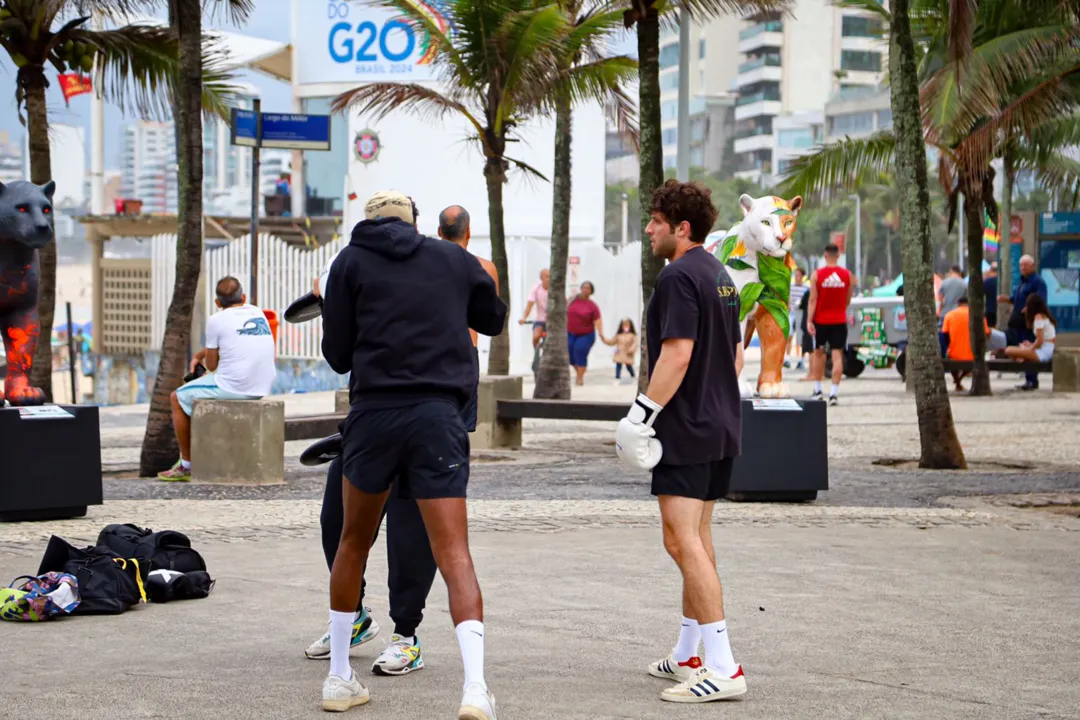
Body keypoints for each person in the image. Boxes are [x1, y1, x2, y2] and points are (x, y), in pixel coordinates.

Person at [319, 190, 506, 717]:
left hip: (374, 413)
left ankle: (339, 677)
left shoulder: (349, 261)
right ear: (414, 222)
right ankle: (474, 689)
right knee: (455, 553)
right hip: (437, 416)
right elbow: (491, 319)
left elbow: (337, 356)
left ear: (369, 221)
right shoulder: (451, 258)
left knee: (353, 542)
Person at [304, 199, 453, 681]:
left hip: (425, 425)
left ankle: (406, 637)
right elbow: (339, 355)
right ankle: (354, 617)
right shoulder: (349, 263)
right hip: (368, 422)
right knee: (338, 525)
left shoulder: (436, 266)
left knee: (411, 537)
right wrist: (331, 305)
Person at [619, 179, 747, 704]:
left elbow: (676, 354)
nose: (648, 229)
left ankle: (723, 666)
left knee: (680, 541)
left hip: (688, 428)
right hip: (720, 423)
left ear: (682, 227)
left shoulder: (676, 276)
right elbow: (735, 357)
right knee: (698, 537)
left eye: (655, 220)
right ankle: (692, 651)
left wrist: (641, 415)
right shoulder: (721, 275)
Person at [157, 277, 276, 482]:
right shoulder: (257, 312)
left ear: (218, 303)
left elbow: (212, 367)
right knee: (199, 387)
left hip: (235, 386)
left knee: (176, 397)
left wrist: (203, 358)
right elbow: (235, 339)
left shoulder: (216, 320)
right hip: (263, 384)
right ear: (244, 297)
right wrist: (200, 354)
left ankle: (186, 465)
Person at [807, 245, 853, 406]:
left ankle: (818, 390)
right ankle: (834, 394)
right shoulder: (847, 275)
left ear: (825, 255)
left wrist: (809, 320)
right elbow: (848, 299)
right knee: (837, 356)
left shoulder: (817, 275)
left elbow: (812, 299)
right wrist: (840, 310)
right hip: (839, 320)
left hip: (821, 320)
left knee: (819, 354)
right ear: (838, 255)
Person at [999, 254, 1049, 390]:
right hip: (1018, 323)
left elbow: (1041, 300)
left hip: (1030, 324)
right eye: (1021, 265)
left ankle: (1033, 380)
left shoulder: (1038, 282)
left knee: (1030, 347)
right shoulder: (1022, 282)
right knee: (1021, 348)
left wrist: (1029, 309)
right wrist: (1006, 299)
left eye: (1026, 265)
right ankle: (1028, 379)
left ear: (1033, 266)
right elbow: (1016, 299)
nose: (1023, 268)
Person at [941, 296, 989, 392]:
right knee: (973, 359)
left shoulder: (949, 315)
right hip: (972, 354)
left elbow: (945, 335)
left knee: (950, 357)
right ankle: (958, 381)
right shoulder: (978, 315)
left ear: (958, 304)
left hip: (954, 353)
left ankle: (957, 381)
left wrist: (949, 346)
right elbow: (986, 333)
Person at [567, 280, 605, 386]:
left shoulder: (592, 306)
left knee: (579, 351)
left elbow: (597, 320)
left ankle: (580, 378)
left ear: (591, 292)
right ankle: (579, 370)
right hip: (570, 333)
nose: (585, 290)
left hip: (586, 335)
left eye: (588, 288)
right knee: (569, 354)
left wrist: (601, 333)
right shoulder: (572, 300)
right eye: (584, 287)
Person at [1004, 294, 1057, 368]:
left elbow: (1040, 341)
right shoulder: (1044, 316)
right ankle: (1023, 358)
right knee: (1021, 346)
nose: (1026, 308)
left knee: (1008, 350)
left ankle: (1024, 358)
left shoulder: (1038, 317)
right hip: (1045, 350)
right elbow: (1044, 341)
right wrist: (1030, 345)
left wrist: (1029, 348)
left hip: (1043, 353)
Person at [937, 265, 967, 356]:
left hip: (945, 314)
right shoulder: (964, 283)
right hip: (959, 315)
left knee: (943, 336)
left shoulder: (944, 282)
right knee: (956, 338)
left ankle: (943, 355)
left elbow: (940, 300)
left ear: (951, 271)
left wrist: (939, 311)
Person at [518, 268, 549, 348]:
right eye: (547, 276)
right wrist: (524, 318)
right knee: (536, 337)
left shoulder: (556, 289)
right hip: (540, 320)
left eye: (550, 276)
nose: (549, 279)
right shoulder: (536, 289)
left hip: (554, 322)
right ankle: (537, 354)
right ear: (541, 278)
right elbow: (529, 306)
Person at [602, 317, 638, 382]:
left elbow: (635, 344)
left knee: (628, 366)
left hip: (628, 353)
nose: (626, 327)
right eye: (624, 325)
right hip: (619, 353)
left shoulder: (633, 335)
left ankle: (632, 374)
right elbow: (611, 342)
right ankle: (617, 376)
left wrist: (631, 349)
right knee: (618, 365)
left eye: (627, 325)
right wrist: (604, 339)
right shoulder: (618, 335)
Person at [787, 267, 808, 370]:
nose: (796, 277)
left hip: (802, 314)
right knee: (789, 336)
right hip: (791, 313)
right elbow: (787, 299)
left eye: (798, 275)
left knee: (801, 337)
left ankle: (801, 360)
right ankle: (787, 358)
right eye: (795, 275)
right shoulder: (790, 287)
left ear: (802, 277)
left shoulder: (806, 288)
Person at [983, 261, 998, 328]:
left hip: (989, 310)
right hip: (999, 310)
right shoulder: (1001, 281)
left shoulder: (987, 282)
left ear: (990, 270)